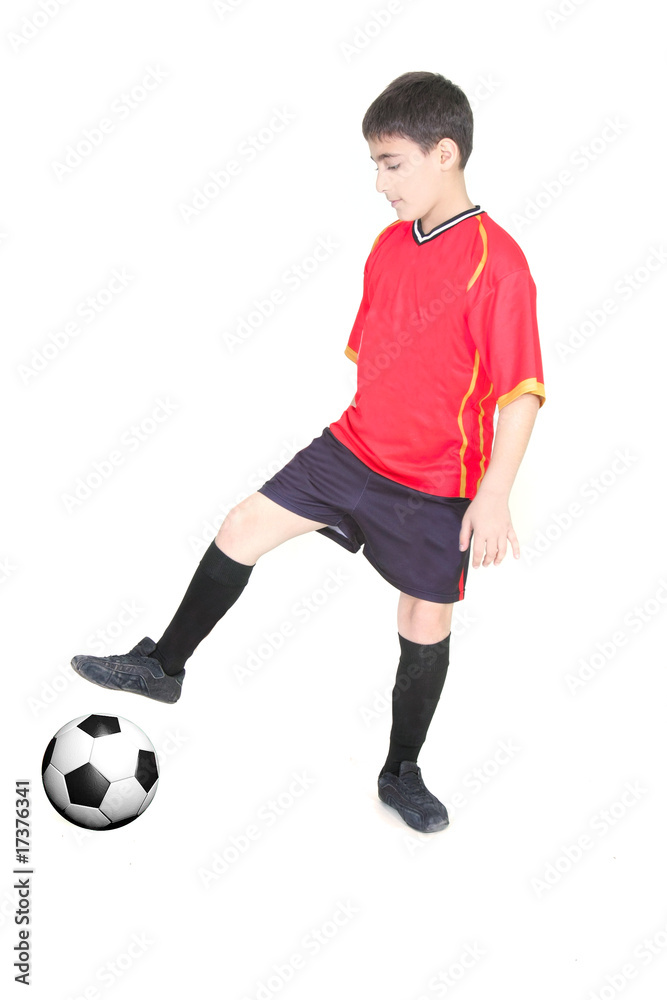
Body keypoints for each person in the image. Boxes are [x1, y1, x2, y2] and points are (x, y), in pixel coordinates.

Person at [71, 71, 546, 834]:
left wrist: (491, 493)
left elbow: (518, 392)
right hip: (353, 450)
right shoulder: (390, 246)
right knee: (240, 527)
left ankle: (401, 770)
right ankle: (163, 665)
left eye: (391, 163)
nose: (379, 182)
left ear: (444, 154)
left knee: (425, 620)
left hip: (435, 484)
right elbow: (381, 356)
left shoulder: (499, 263)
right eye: (375, 164)